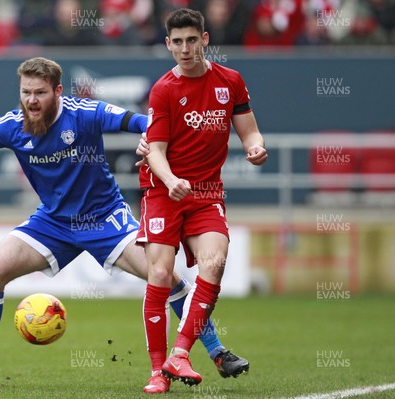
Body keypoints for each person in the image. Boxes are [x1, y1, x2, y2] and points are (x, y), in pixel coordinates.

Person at [0, 57, 246, 390]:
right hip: (53, 222)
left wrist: (149, 138)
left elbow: (142, 121)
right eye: (25, 92)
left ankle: (215, 351)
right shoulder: (12, 125)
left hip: (104, 218)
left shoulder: (86, 114)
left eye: (39, 92)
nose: (31, 100)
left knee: (166, 277)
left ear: (58, 92)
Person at [136, 8, 267, 394]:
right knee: (160, 274)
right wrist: (171, 178)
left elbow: (250, 132)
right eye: (177, 42)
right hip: (163, 190)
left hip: (207, 192)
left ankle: (180, 352)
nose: (185, 48)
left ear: (205, 40)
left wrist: (257, 148)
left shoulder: (231, 82)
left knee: (216, 262)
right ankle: (157, 372)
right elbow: (154, 151)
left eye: (192, 40)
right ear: (167, 44)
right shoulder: (163, 89)